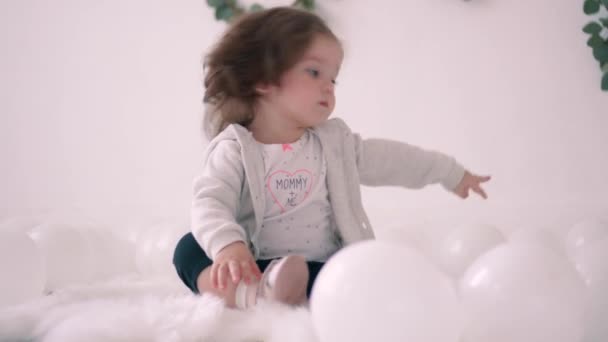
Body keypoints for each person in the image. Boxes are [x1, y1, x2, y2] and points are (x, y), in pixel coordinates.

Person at [173, 6, 491, 310]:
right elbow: (210, 203)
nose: (328, 87)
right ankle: (249, 293)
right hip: (254, 263)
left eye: (333, 78)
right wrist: (229, 247)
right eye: (314, 72)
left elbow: (393, 159)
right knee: (188, 248)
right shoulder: (234, 149)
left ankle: (279, 291)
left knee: (346, 275)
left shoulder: (334, 143)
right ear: (263, 79)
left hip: (323, 267)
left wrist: (450, 172)